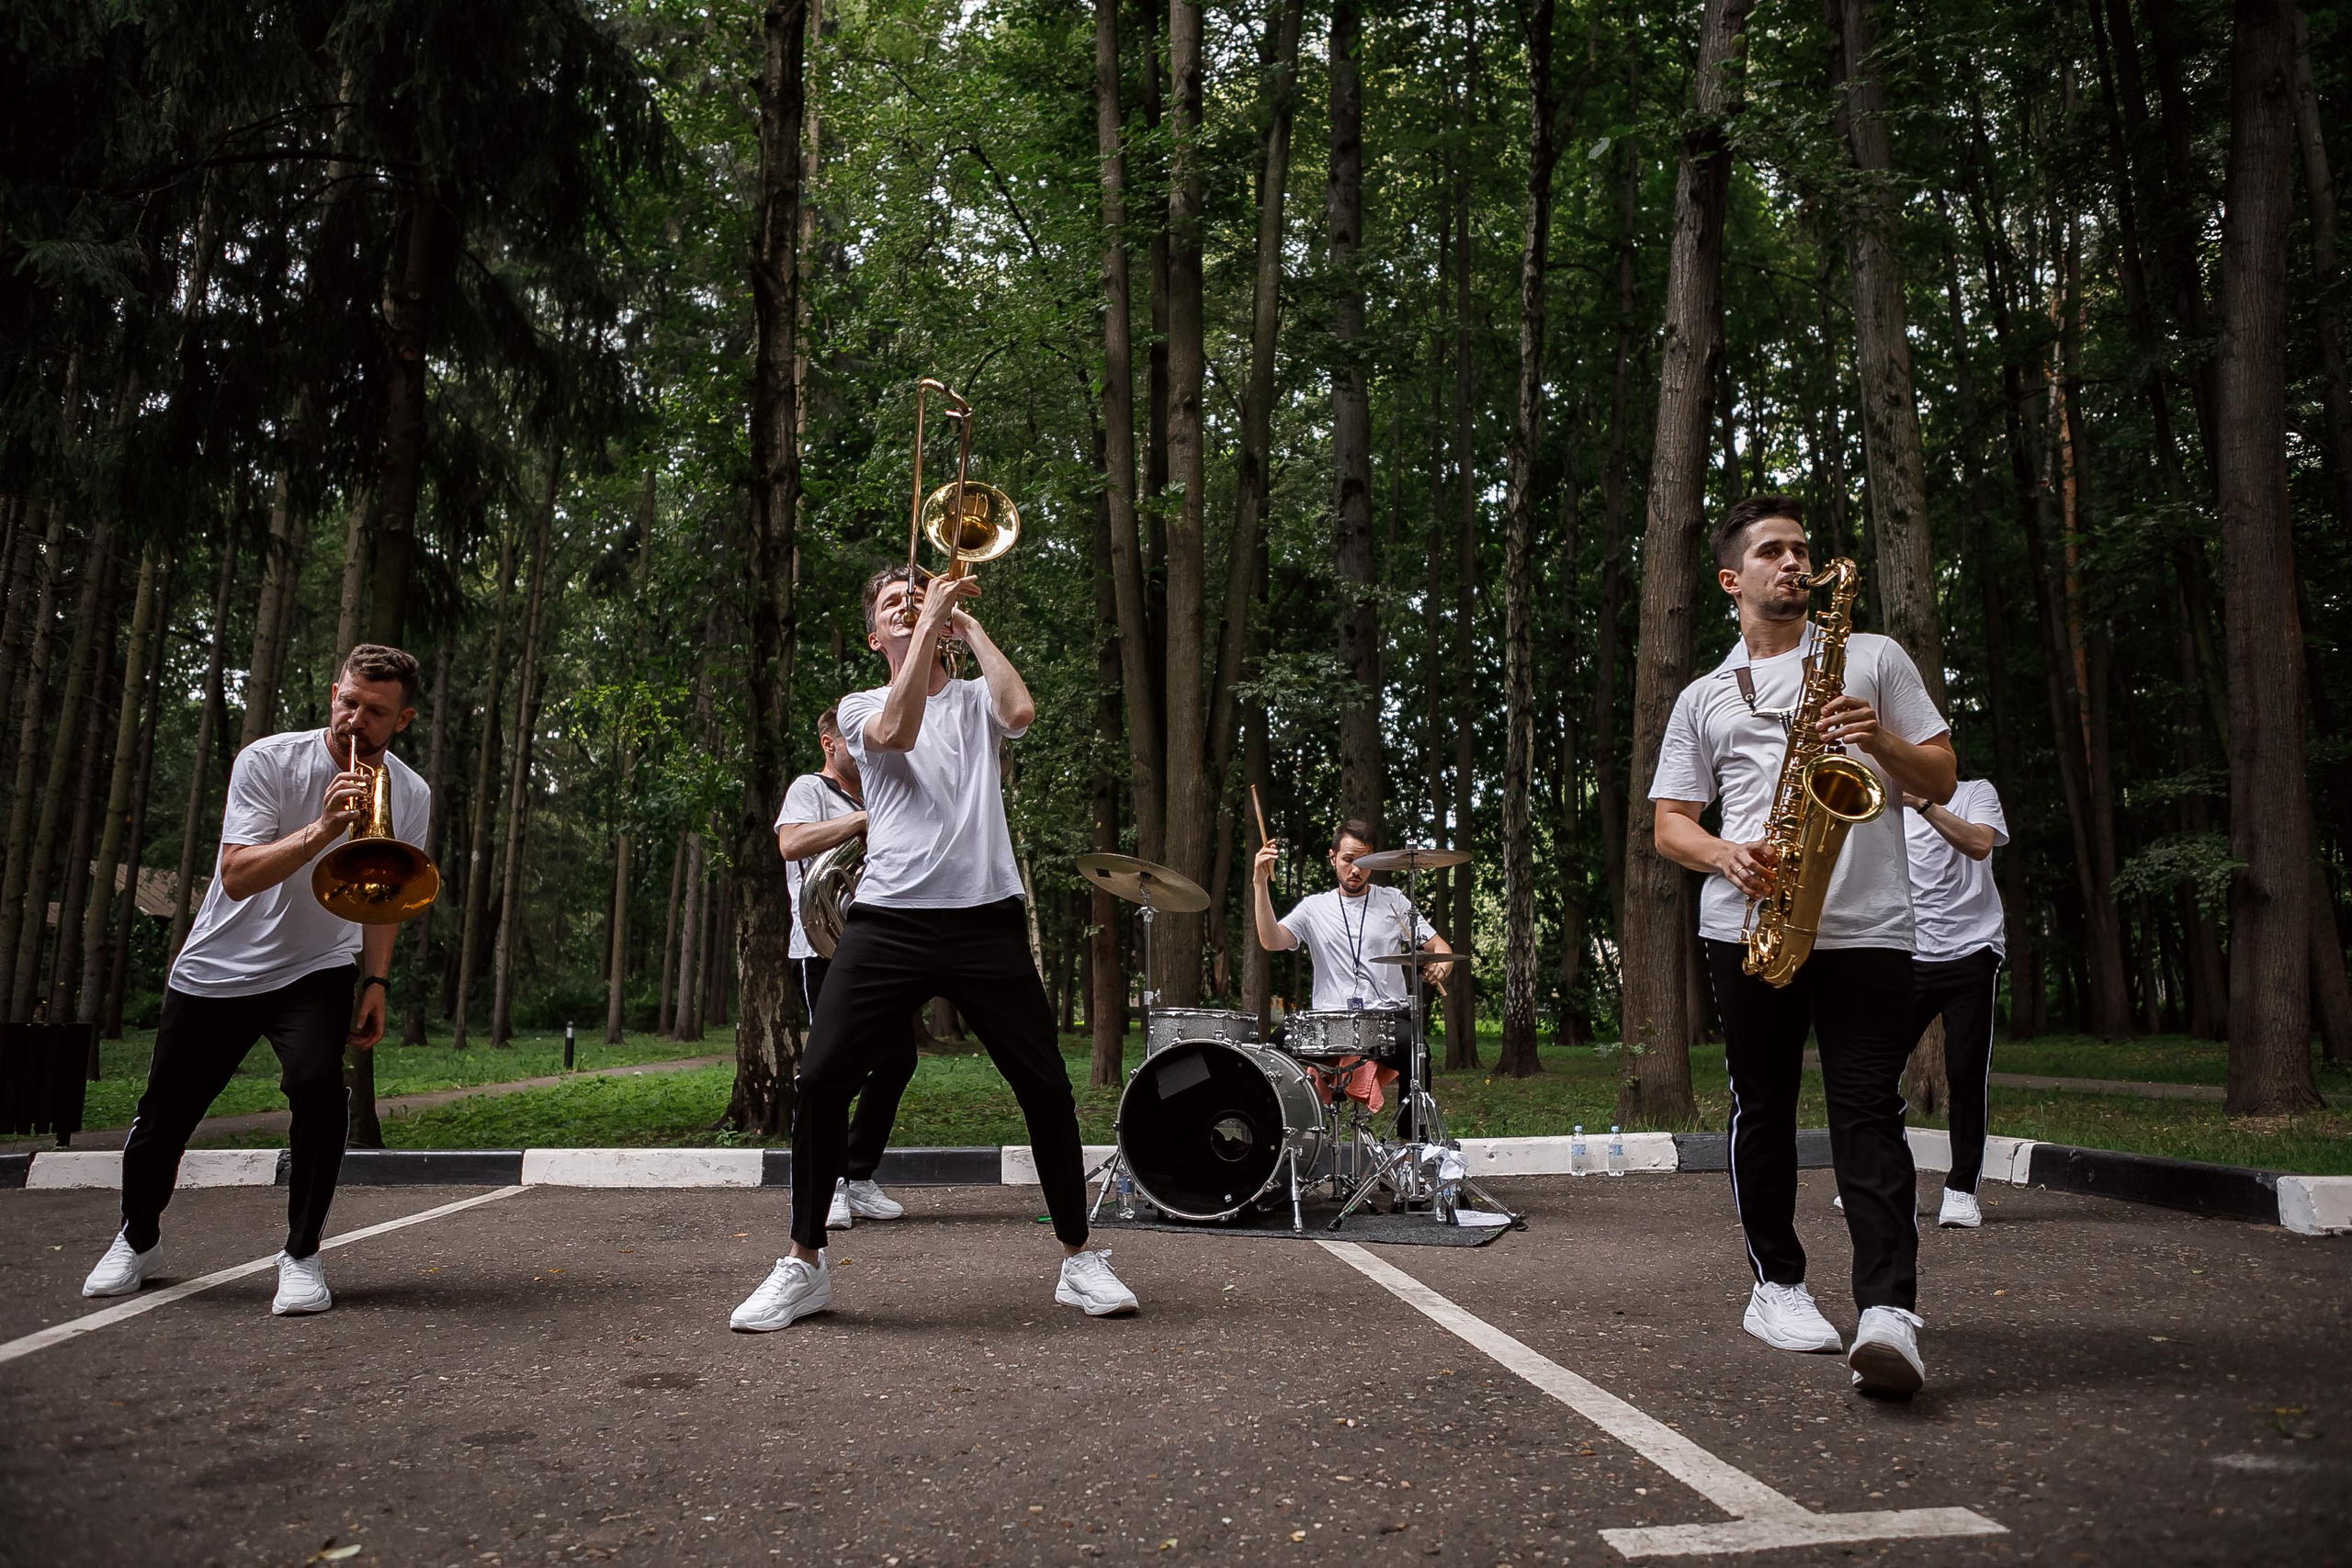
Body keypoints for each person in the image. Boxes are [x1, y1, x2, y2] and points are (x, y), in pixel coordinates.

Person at [729, 566, 1138, 1332]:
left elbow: (1021, 707)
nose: (909, 606)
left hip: (987, 917)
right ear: (876, 634)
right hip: (890, 920)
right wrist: (925, 630)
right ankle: (804, 1262)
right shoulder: (861, 707)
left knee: (1046, 1085)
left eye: (917, 597)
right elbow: (898, 733)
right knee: (819, 1080)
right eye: (893, 605)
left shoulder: (978, 698)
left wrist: (966, 625)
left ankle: (1079, 1257)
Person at [1649, 495, 1955, 1398]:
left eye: (1801, 550)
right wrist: (1724, 854)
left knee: (1868, 1108)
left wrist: (1881, 741)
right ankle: (1776, 1285)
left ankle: (1889, 1313)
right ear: (1729, 579)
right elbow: (1669, 825)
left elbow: (1939, 773)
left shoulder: (1874, 659)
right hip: (1750, 925)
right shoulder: (1704, 696)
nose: (1793, 563)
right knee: (1765, 1108)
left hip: (1869, 926)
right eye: (1772, 552)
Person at [80, 645, 432, 1317]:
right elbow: (237, 874)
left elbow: (386, 892)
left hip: (316, 967)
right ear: (334, 692)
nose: (356, 720)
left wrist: (377, 980)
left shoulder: (409, 792)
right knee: (164, 1117)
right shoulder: (268, 761)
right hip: (220, 963)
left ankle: (301, 1254)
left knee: (317, 1089)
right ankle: (138, 1237)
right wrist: (322, 829)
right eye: (349, 701)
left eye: (376, 711)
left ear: (402, 719)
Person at [775, 705, 911, 1232]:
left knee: (897, 1060)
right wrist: (859, 822)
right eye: (854, 740)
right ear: (831, 744)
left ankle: (856, 1174)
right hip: (823, 948)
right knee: (830, 1069)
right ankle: (827, 1184)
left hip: (879, 950)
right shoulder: (809, 789)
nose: (866, 746)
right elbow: (790, 844)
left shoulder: (880, 789)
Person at [1250, 821, 1453, 1131]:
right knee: (1276, 1048)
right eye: (1347, 860)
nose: (1355, 869)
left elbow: (1439, 947)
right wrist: (1259, 885)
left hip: (1384, 1019)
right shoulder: (1314, 907)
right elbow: (1270, 940)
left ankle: (1409, 1149)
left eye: (1363, 861)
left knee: (1416, 1049)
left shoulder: (1393, 901)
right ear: (1332, 857)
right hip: (1329, 1022)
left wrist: (1441, 965)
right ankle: (1281, 1141)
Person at [1903, 779, 2009, 1230]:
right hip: (1906, 953)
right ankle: (1885, 1181)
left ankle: (1961, 1190)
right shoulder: (1880, 802)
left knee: (1965, 1073)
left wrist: (1923, 804)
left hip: (1972, 950)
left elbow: (1980, 844)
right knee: (1874, 1073)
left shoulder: (1975, 792)